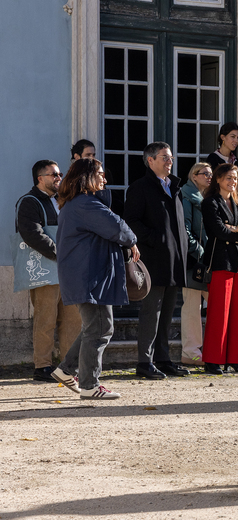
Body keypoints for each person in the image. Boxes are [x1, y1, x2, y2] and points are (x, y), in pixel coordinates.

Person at [54, 158, 139, 400]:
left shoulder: (77, 204)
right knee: (101, 328)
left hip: (86, 275)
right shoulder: (86, 204)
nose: (105, 179)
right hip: (90, 277)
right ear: (86, 177)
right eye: (100, 174)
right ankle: (90, 385)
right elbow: (119, 228)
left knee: (96, 327)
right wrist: (132, 240)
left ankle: (66, 370)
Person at [123, 142, 190, 380]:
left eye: (171, 157)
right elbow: (130, 220)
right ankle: (145, 361)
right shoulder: (140, 188)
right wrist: (155, 239)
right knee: (151, 312)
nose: (169, 161)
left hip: (174, 261)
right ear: (150, 160)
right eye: (164, 157)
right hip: (153, 261)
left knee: (168, 313)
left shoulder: (175, 187)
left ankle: (163, 359)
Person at [16, 160, 82, 384]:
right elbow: (32, 234)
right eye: (53, 174)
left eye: (59, 174)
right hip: (45, 270)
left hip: (68, 269)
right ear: (39, 178)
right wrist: (61, 253)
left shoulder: (63, 200)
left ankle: (68, 366)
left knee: (73, 319)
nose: (58, 178)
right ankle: (42, 366)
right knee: (46, 319)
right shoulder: (29, 202)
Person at [201, 163, 238, 374]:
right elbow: (217, 231)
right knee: (219, 313)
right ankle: (212, 360)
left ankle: (235, 359)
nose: (232, 182)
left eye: (235, 178)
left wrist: (236, 228)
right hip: (220, 261)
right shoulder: (210, 202)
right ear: (218, 179)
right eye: (228, 178)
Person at [180, 163, 211, 366]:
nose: (209, 177)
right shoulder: (187, 196)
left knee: (214, 304)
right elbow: (186, 229)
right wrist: (199, 252)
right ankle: (190, 352)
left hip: (210, 259)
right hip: (194, 260)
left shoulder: (208, 198)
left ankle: (212, 349)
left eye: (211, 174)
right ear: (194, 175)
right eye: (204, 174)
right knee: (192, 306)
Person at [205, 122, 238, 196]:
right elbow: (216, 186)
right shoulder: (213, 158)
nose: (236, 141)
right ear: (223, 137)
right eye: (233, 136)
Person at [71, 139, 111, 207]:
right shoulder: (71, 179)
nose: (92, 158)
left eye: (93, 155)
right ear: (77, 157)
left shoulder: (97, 177)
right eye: (88, 155)